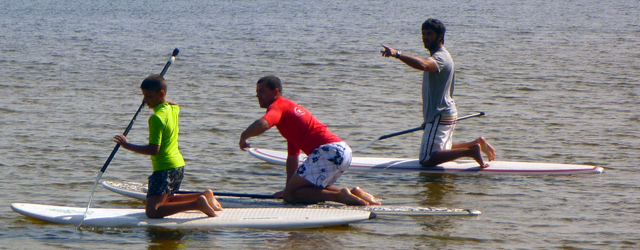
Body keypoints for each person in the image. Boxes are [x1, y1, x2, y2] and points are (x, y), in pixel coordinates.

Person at [239, 75, 380, 206]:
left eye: (262, 91)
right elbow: (293, 157)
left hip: (328, 151)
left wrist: (244, 136)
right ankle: (355, 193)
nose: (257, 95)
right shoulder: (289, 114)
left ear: (276, 91)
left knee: (292, 195)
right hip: (343, 151)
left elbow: (264, 123)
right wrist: (289, 188)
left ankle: (340, 196)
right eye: (257, 92)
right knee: (304, 189)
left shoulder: (278, 106)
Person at [380, 18, 496, 168]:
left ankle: (471, 151)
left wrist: (398, 54)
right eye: (423, 34)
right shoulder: (440, 55)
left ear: (440, 36)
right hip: (442, 113)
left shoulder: (441, 57)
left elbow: (423, 65)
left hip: (440, 114)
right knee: (441, 150)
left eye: (429, 34)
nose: (425, 37)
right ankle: (475, 144)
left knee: (426, 159)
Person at [113, 74, 222, 218]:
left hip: (164, 169)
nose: (144, 100)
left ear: (161, 93)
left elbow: (153, 150)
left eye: (149, 96)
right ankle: (205, 195)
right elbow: (175, 104)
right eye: (144, 95)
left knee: (153, 212)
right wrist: (159, 98)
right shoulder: (173, 110)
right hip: (178, 166)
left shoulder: (156, 118)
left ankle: (196, 204)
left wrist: (127, 145)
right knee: (166, 200)